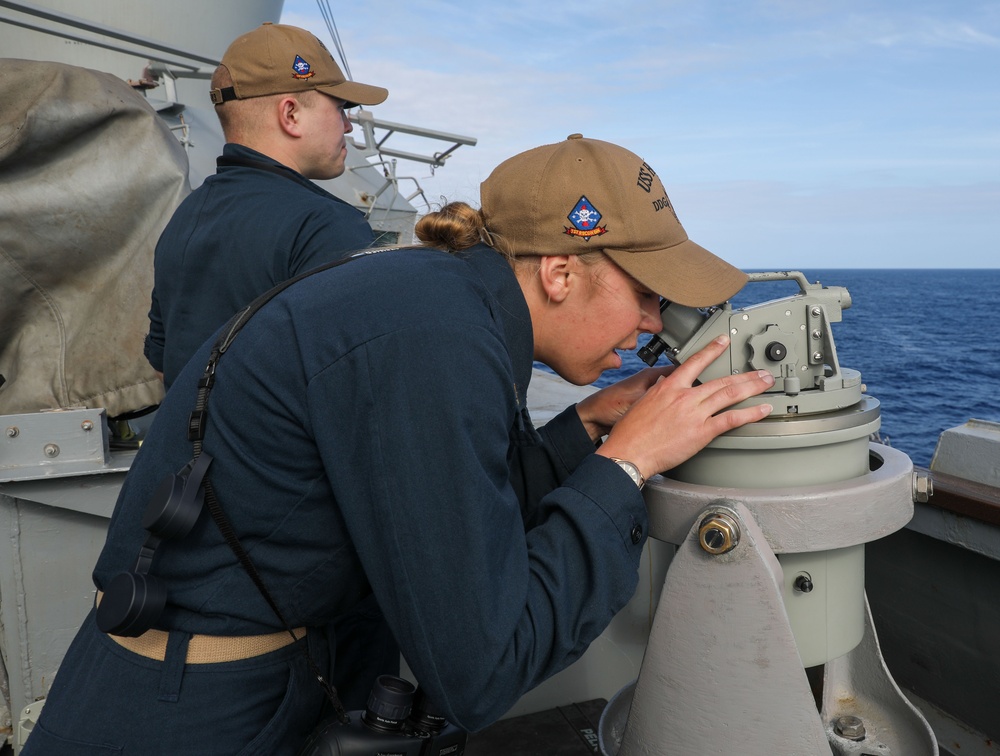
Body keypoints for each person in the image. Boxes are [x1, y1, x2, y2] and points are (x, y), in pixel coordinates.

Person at [23, 135, 775, 755]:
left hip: (243, 678)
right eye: (645, 294)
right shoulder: (434, 340)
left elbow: (450, 506)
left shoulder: (438, 300)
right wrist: (629, 464)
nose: (653, 324)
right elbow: (480, 670)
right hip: (190, 719)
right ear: (559, 271)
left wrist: (585, 432)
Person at [145, 22, 389, 389]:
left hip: (192, 444)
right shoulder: (326, 226)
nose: (348, 126)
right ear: (290, 114)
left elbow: (165, 366)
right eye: (341, 108)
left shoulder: (185, 217)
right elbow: (355, 386)